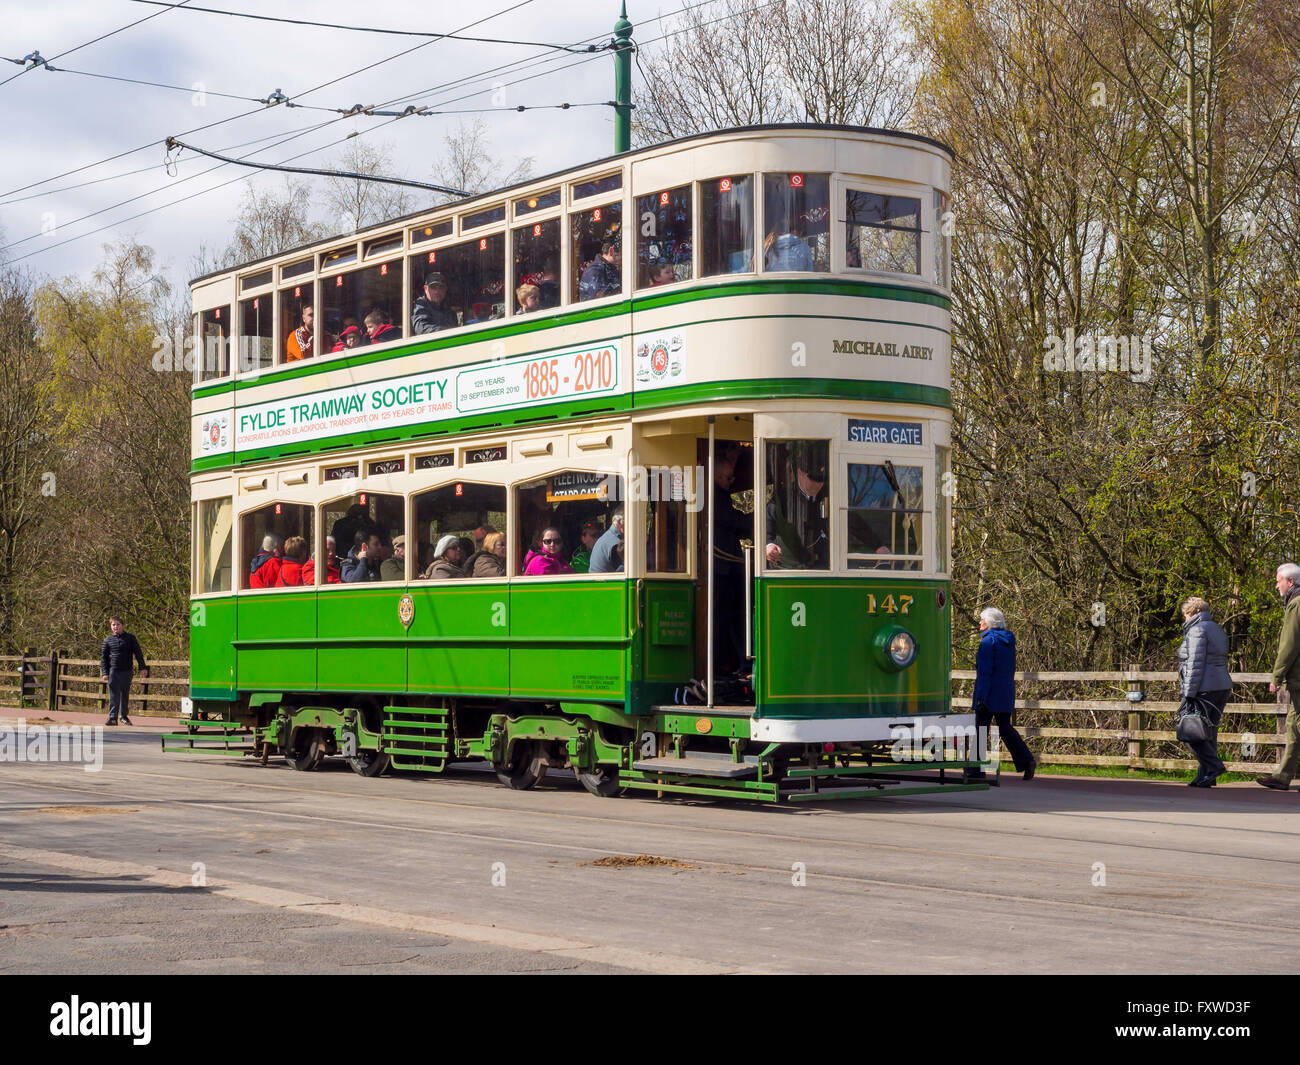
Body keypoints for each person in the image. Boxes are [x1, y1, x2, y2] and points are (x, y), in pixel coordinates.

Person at [966, 608, 1035, 781]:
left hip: (988, 693)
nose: (979, 622)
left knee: (981, 730)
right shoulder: (1008, 641)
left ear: (989, 622)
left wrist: (981, 695)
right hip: (1005, 692)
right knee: (1005, 728)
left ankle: (975, 770)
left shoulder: (988, 642)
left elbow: (985, 672)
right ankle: (1026, 761)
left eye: (982, 619)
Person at [1176, 597, 1232, 788]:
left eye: (1184, 614)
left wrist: (1189, 694)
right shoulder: (1216, 628)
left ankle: (1215, 767)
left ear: (1191, 613)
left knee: (1189, 730)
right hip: (1221, 686)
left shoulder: (1197, 631)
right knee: (1207, 732)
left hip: (1203, 689)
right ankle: (1206, 775)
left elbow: (1195, 665)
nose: (1184, 619)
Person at [1259, 562, 1300, 790]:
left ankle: (1282, 776)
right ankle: (1283, 776)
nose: (1277, 586)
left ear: (1290, 582)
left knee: (1296, 725)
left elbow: (1289, 645)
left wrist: (1276, 676)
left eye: (1279, 581)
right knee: (1294, 725)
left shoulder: (1296, 605)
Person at [712, 458, 752, 676]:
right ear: (717, 477)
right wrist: (756, 521)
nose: (732, 481)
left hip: (726, 567)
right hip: (720, 569)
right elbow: (733, 521)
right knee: (724, 618)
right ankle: (718, 666)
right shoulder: (715, 497)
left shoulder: (721, 495)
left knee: (730, 618)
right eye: (729, 478)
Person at [765, 445, 828, 569]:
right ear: (800, 473)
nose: (818, 484)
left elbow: (852, 520)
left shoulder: (828, 494)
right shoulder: (782, 498)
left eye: (821, 480)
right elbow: (767, 525)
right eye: (813, 479)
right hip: (786, 568)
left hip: (821, 569)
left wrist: (876, 545)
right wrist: (769, 545)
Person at [99, 615, 148, 727]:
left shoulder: (130, 638)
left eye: (118, 624)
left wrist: (142, 667)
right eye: (113, 625)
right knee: (114, 695)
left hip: (127, 671)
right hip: (113, 671)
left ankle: (124, 716)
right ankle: (112, 718)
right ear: (111, 626)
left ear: (123, 625)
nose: (116, 627)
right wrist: (104, 672)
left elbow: (138, 653)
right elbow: (104, 658)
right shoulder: (107, 640)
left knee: (124, 694)